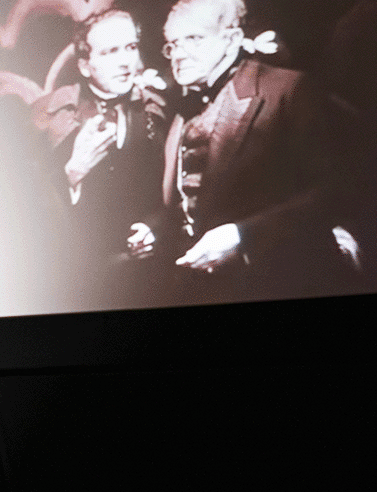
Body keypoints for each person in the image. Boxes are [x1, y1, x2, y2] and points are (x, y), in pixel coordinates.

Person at [128, 0, 359, 304]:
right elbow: (190, 200)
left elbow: (331, 192)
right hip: (198, 289)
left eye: (194, 39)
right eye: (172, 44)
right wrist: (154, 227)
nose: (179, 54)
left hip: (275, 283)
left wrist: (241, 236)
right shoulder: (182, 110)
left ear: (233, 39)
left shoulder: (287, 89)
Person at [29, 8, 171, 309]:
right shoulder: (48, 116)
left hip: (147, 282)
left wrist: (153, 228)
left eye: (131, 47)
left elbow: (169, 191)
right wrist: (73, 173)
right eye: (109, 52)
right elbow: (20, 214)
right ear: (84, 65)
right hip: (73, 286)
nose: (125, 62)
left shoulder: (158, 109)